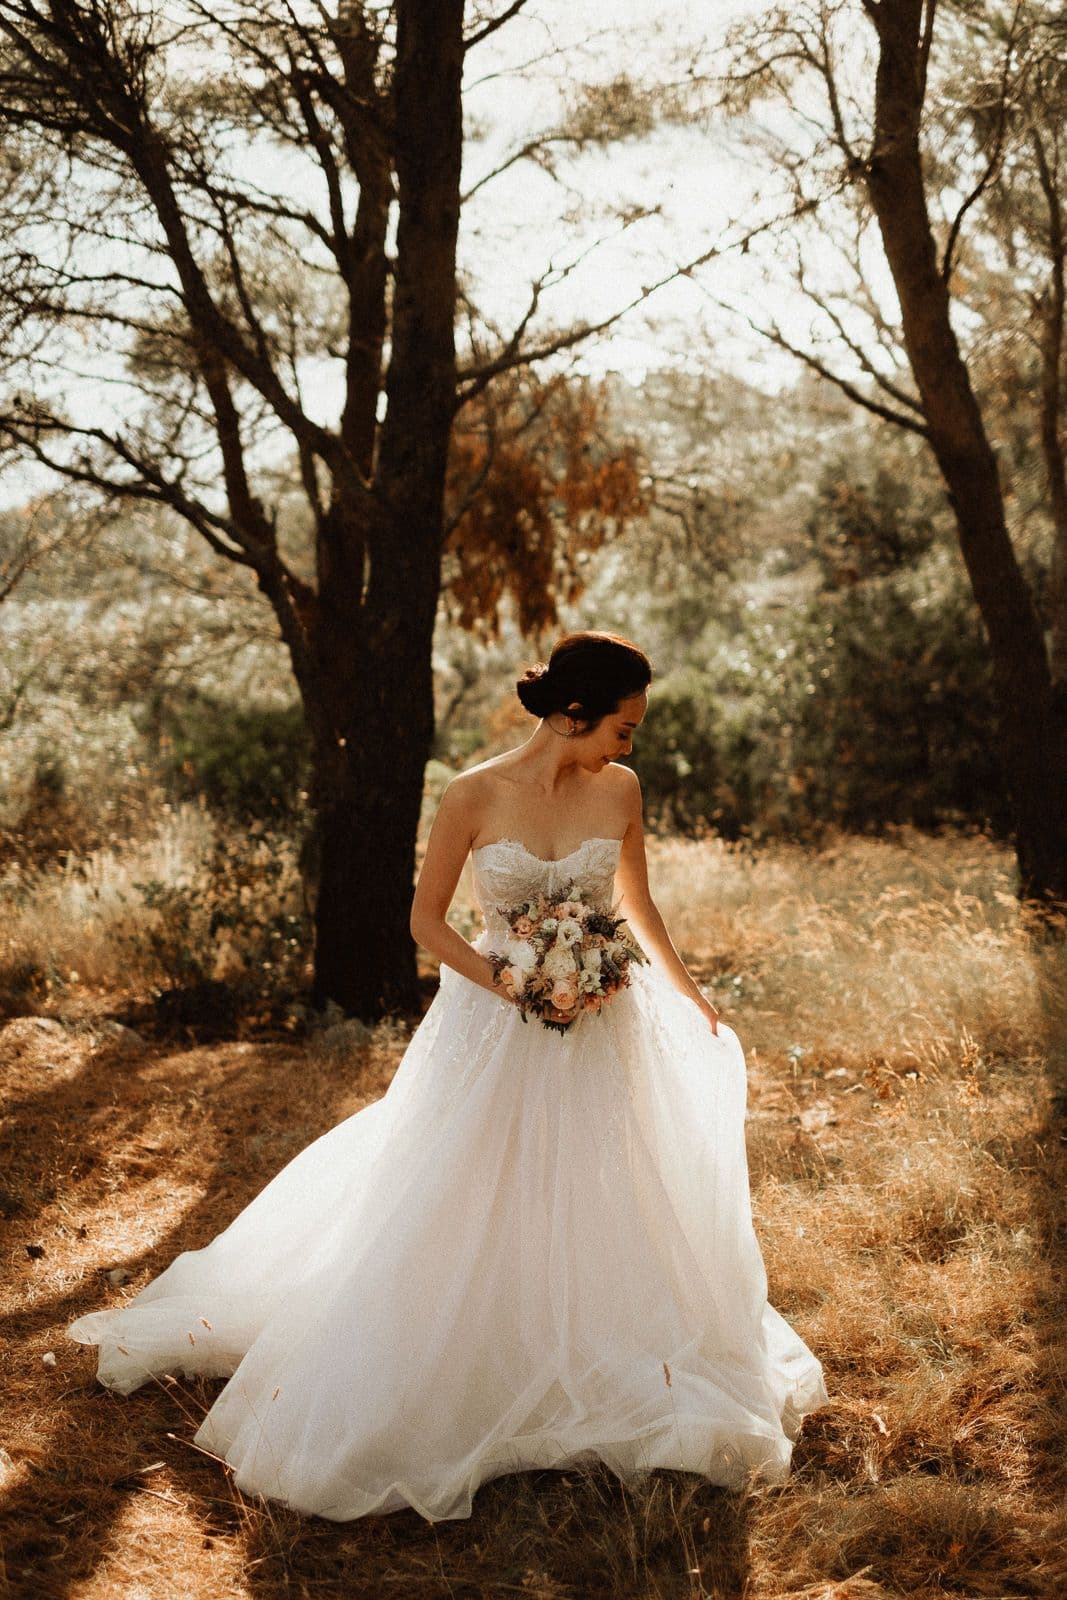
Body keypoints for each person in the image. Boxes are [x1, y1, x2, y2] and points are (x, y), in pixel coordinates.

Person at [69, 630, 827, 1522]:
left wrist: (695, 1000)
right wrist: (510, 977)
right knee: (465, 1179)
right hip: (489, 1017)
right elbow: (426, 924)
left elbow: (636, 905)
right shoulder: (471, 795)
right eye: (622, 728)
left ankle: (598, 1340)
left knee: (609, 1183)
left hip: (600, 1019)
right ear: (571, 714)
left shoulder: (620, 790)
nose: (630, 746)